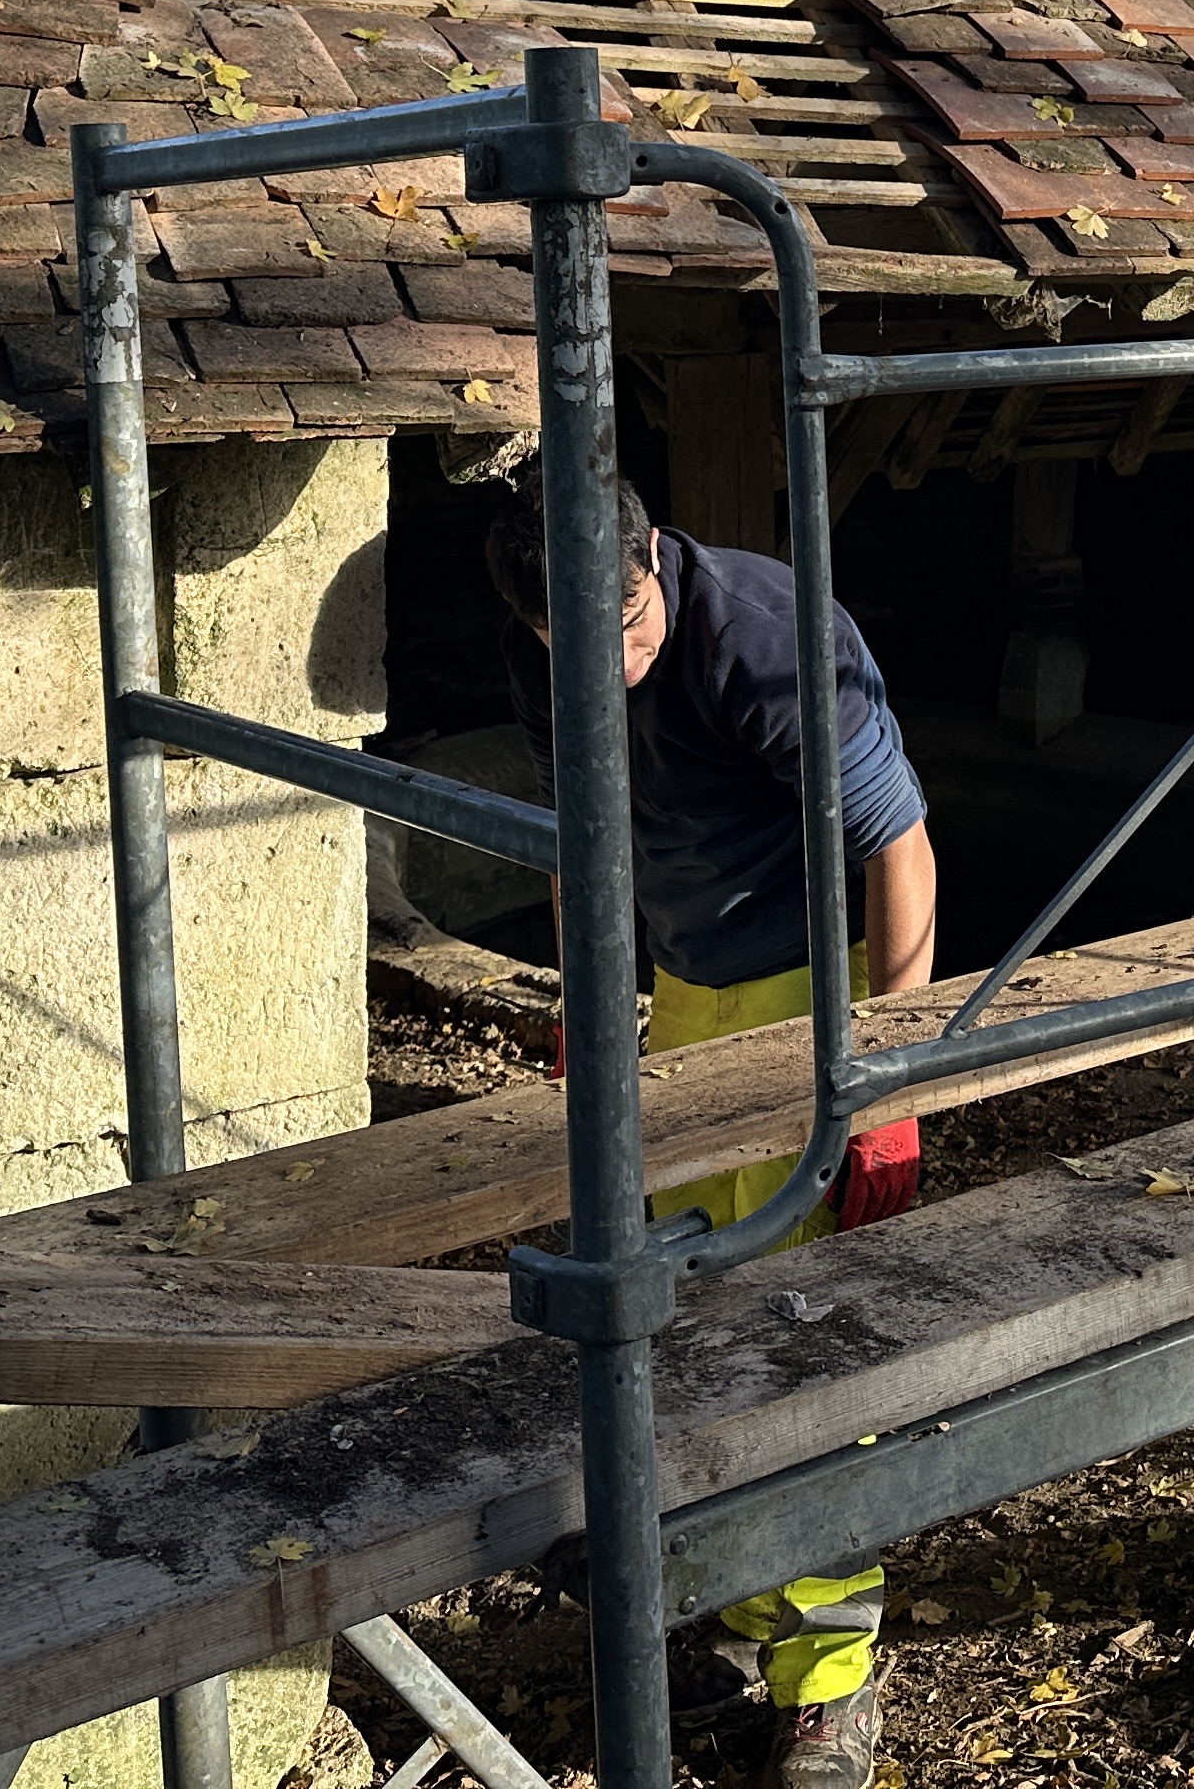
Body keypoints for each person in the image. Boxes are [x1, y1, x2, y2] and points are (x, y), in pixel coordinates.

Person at [492, 480, 938, 1789]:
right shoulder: (549, 651)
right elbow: (583, 836)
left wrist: (887, 1071)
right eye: (578, 643)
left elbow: (900, 843)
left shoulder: (761, 637)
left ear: (653, 568)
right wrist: (591, 1018)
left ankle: (831, 1678)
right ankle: (748, 1607)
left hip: (813, 982)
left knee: (804, 1329)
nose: (616, 662)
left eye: (630, 625)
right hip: (687, 986)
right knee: (684, 1309)